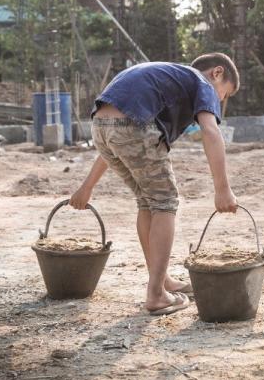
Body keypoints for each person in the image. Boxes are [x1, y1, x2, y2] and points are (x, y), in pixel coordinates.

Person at [69, 53, 241, 316]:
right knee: (165, 202)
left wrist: (87, 186)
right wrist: (222, 189)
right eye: (225, 95)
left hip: (100, 125)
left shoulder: (170, 77)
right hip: (132, 126)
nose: (220, 101)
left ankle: (160, 282)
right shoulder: (203, 83)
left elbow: (116, 127)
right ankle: (157, 295)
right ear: (217, 73)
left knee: (148, 201)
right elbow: (210, 131)